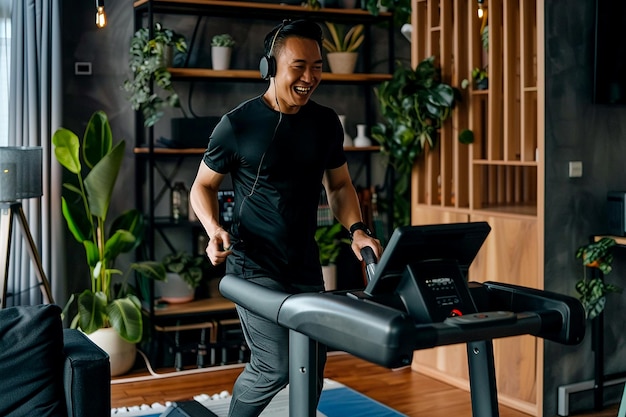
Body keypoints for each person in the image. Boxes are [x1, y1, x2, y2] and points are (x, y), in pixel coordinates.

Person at [189, 19, 382, 417]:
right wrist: (213, 230)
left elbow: (341, 186)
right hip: (252, 265)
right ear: (270, 67)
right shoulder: (238, 124)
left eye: (317, 66)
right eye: (299, 66)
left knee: (310, 370)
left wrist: (358, 231)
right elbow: (201, 186)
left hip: (304, 264)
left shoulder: (326, 122)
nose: (310, 77)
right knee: (273, 365)